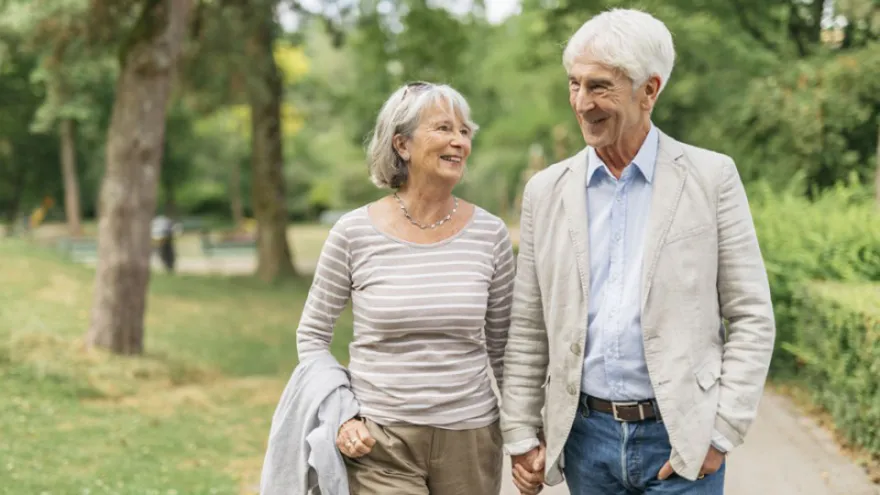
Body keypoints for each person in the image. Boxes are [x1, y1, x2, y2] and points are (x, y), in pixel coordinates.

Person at [500, 8, 776, 495]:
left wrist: (721, 433)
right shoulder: (546, 191)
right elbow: (528, 325)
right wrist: (521, 433)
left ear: (650, 90)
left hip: (680, 441)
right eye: (574, 84)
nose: (582, 103)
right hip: (586, 440)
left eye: (600, 86)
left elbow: (751, 314)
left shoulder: (711, 178)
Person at [296, 81, 516, 494]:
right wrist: (341, 413)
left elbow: (505, 346)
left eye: (465, 131)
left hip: (469, 438)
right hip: (381, 441)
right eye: (444, 129)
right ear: (402, 144)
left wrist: (523, 434)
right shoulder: (353, 232)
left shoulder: (490, 234)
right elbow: (311, 336)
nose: (459, 142)